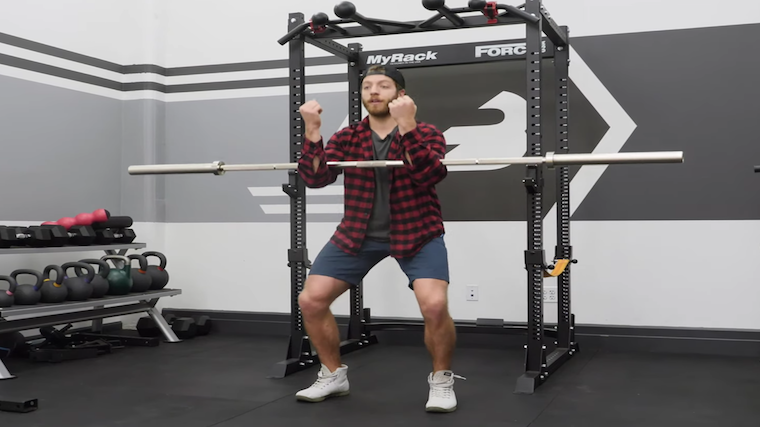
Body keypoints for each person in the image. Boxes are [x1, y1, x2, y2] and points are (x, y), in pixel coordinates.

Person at [294, 65, 463, 413]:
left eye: (383, 86)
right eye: (368, 86)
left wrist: (408, 127)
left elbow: (429, 173)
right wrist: (312, 132)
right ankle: (332, 373)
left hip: (417, 231)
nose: (374, 91)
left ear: (400, 94)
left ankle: (442, 379)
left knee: (433, 306)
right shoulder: (349, 137)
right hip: (357, 233)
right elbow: (315, 179)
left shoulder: (426, 132)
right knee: (310, 301)